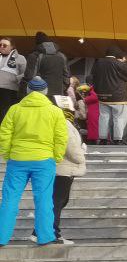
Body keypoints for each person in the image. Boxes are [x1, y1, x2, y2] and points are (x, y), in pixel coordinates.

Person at [0, 78, 67, 247]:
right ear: (45, 91)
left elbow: (5, 134)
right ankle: (45, 236)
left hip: (17, 159)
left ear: (28, 91)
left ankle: (1, 237)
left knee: (10, 199)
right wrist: (56, 157)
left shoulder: (15, 109)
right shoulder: (55, 111)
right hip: (44, 160)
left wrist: (7, 154)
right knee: (44, 199)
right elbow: (61, 138)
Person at [49, 94, 85, 245]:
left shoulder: (58, 122)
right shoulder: (65, 124)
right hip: (64, 168)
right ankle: (52, 233)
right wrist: (81, 157)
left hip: (61, 168)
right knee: (58, 201)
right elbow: (70, 146)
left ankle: (41, 231)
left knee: (58, 201)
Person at [90, 47, 127, 145]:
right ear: (116, 55)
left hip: (102, 96)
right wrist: (123, 77)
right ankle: (117, 139)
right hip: (118, 96)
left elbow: (92, 77)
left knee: (103, 117)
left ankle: (103, 138)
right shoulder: (118, 63)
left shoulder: (98, 63)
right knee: (119, 117)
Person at [23, 33, 70, 99]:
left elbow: (30, 76)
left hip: (39, 94)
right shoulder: (62, 56)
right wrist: (62, 88)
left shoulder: (35, 56)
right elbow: (67, 76)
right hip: (58, 95)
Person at [0, 37, 26, 123]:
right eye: (0, 45)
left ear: (12, 47)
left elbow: (25, 73)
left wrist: (15, 79)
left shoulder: (20, 58)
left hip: (9, 91)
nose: (2, 47)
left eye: (5, 45)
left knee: (6, 115)